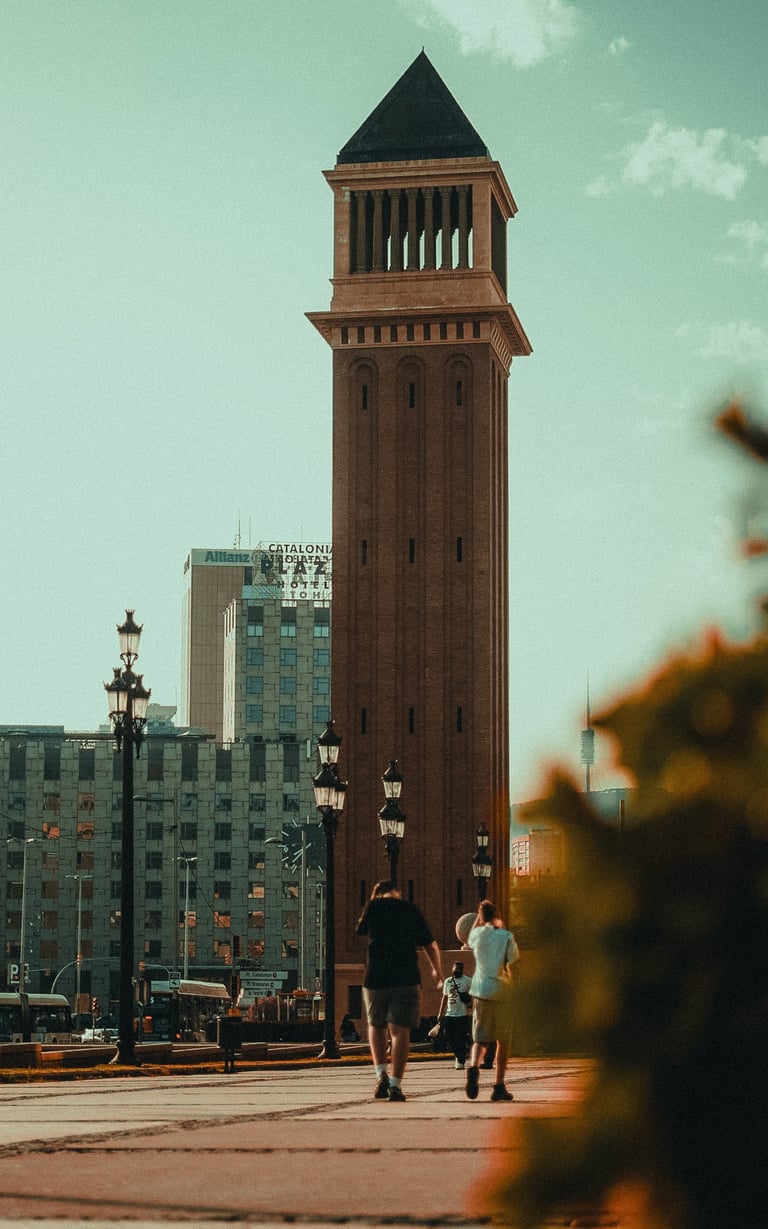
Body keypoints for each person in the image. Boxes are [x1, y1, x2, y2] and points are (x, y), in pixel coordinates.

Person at [356, 879, 442, 1102]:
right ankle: (395, 1085)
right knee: (400, 1031)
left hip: (375, 977)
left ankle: (380, 1074)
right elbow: (430, 944)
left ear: (378, 893)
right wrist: (437, 971)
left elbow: (360, 930)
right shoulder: (411, 909)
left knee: (376, 1025)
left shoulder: (373, 906)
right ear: (398, 892)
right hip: (407, 977)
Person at [465, 899, 520, 1102]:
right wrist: (501, 926)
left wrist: (479, 920)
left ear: (481, 917)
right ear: (496, 916)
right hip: (501, 990)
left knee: (480, 1038)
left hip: (480, 990)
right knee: (503, 1040)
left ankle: (473, 1068)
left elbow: (471, 936)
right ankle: (498, 1085)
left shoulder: (476, 935)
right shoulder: (505, 936)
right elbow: (513, 960)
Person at [436, 960, 472, 1069]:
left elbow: (474, 996)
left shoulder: (467, 981)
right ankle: (459, 1054)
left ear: (462, 970)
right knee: (449, 1036)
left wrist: (471, 1008)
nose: (457, 970)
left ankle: (460, 1060)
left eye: (459, 969)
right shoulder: (448, 981)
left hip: (463, 1014)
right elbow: (445, 997)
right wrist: (440, 1012)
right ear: (452, 969)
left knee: (460, 1037)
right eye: (455, 968)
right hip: (449, 1014)